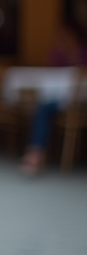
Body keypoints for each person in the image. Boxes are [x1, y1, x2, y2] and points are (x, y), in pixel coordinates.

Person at [19, 24, 87, 176]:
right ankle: (36, 153)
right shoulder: (58, 53)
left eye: (67, 36)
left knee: (42, 108)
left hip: (82, 100)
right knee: (41, 108)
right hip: (59, 99)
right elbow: (52, 77)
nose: (64, 39)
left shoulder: (83, 52)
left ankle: (36, 154)